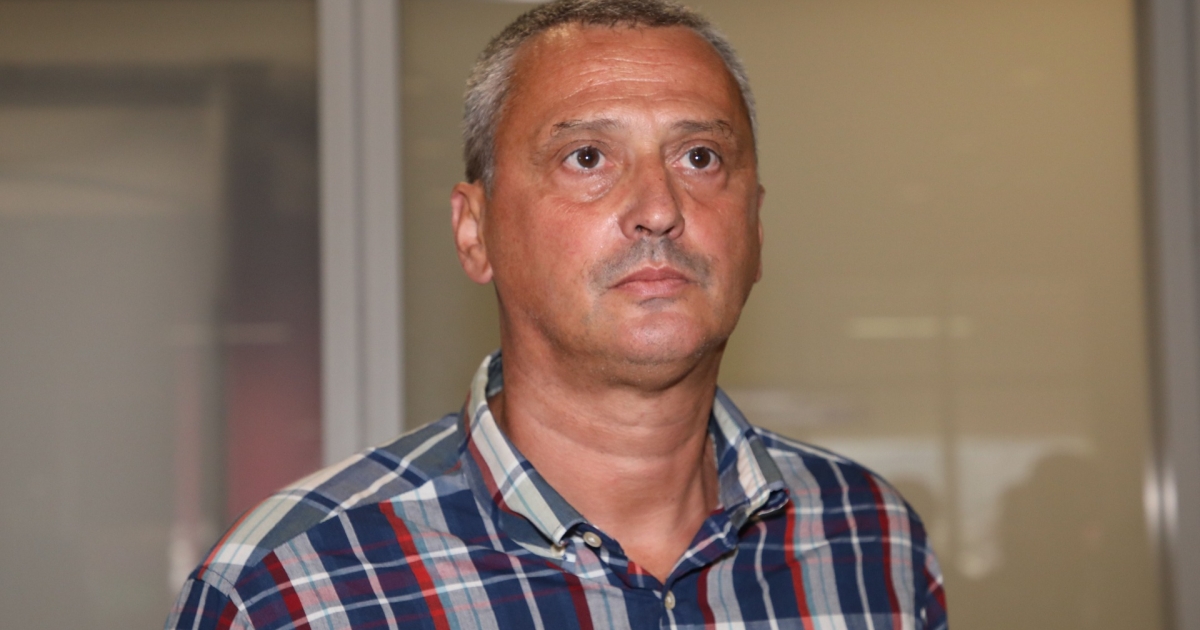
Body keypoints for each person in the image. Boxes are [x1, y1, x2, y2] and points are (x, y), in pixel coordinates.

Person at [167, 1, 947, 628]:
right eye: (587, 158)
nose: (659, 208)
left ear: (756, 229)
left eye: (700, 157)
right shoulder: (294, 590)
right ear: (475, 232)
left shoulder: (870, 541)